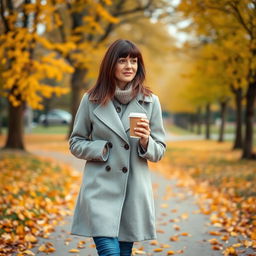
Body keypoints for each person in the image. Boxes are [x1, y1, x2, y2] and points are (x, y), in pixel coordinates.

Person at [69, 39, 166, 256]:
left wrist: (145, 142)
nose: (129, 66)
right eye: (122, 60)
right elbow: (75, 142)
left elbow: (160, 150)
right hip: (99, 190)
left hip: (132, 192)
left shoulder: (150, 102)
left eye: (134, 61)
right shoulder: (91, 99)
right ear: (110, 65)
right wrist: (101, 148)